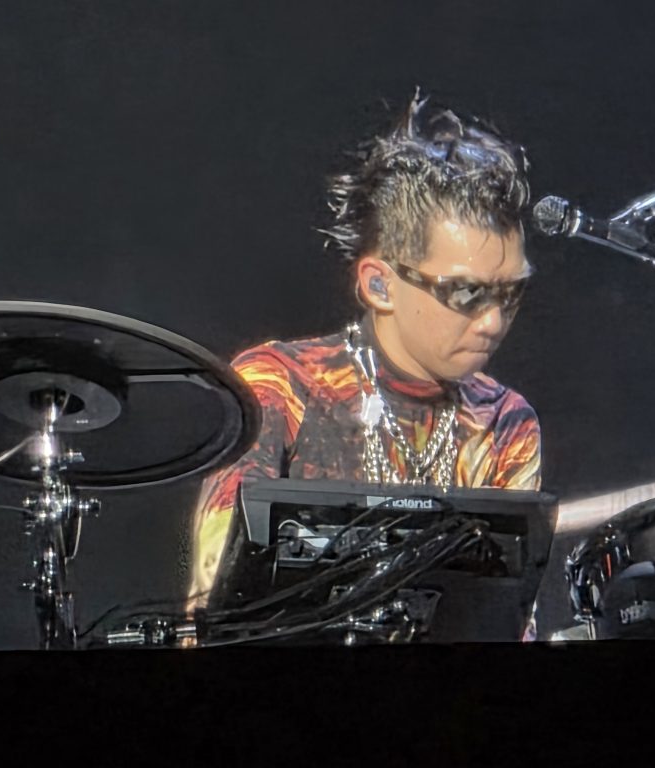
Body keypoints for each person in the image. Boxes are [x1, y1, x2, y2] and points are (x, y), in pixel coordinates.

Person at [187, 90, 541, 607]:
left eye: (511, 293)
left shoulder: (504, 421)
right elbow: (213, 591)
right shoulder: (279, 383)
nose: (493, 320)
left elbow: (508, 618)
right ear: (379, 285)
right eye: (466, 293)